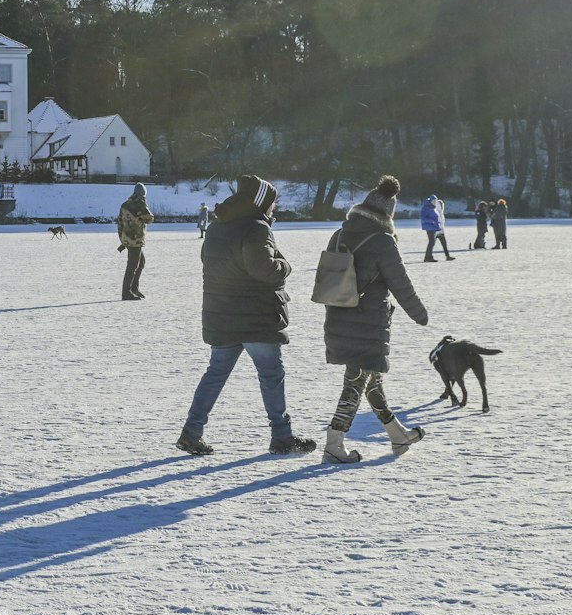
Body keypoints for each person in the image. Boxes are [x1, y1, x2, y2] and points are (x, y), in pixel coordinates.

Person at [175, 175, 318, 456]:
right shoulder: (256, 228)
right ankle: (282, 437)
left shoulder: (217, 226)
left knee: (215, 374)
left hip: (222, 314)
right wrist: (285, 265)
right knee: (271, 375)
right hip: (256, 316)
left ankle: (191, 433)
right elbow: (264, 269)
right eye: (273, 203)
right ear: (261, 203)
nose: (274, 209)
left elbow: (211, 261)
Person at [322, 175, 430, 464]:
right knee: (356, 383)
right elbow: (401, 285)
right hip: (367, 325)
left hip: (337, 319)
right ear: (388, 215)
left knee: (371, 381)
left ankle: (397, 435)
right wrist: (420, 315)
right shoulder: (382, 241)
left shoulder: (340, 234)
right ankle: (334, 443)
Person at [116, 183, 154, 300]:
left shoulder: (125, 205)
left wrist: (122, 239)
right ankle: (126, 292)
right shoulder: (140, 204)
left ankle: (134, 288)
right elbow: (149, 219)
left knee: (140, 262)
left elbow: (119, 222)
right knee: (133, 265)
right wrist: (145, 206)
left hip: (127, 239)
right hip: (136, 239)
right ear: (143, 194)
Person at [419, 194, 453, 262]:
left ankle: (428, 257)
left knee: (432, 243)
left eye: (436, 201)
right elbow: (423, 218)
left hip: (434, 227)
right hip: (429, 227)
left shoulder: (433, 208)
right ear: (430, 201)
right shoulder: (426, 207)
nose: (435, 202)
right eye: (434, 201)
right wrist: (432, 221)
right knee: (431, 242)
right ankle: (428, 258)